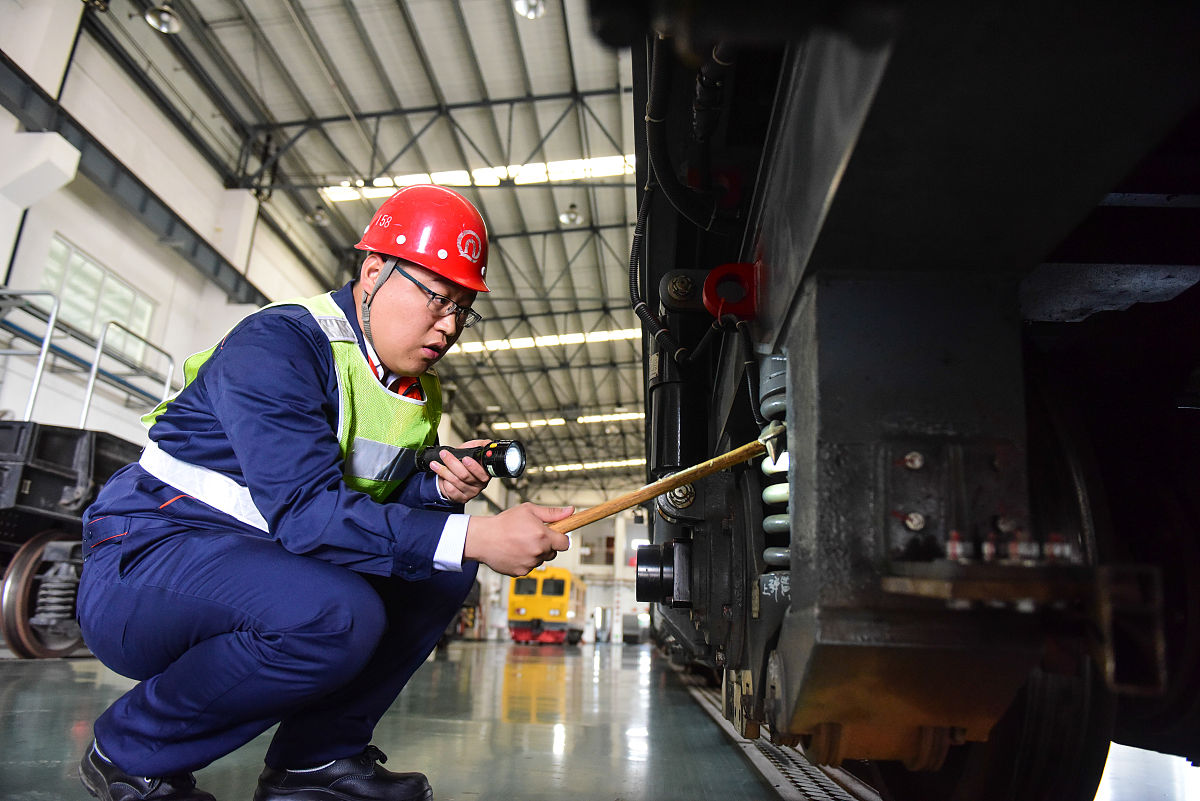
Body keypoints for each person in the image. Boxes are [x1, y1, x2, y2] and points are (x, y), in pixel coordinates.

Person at [75, 184, 573, 801]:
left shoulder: (413, 391)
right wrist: (476, 534)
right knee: (336, 614)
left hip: (256, 565)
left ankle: (315, 762)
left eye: (463, 310)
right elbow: (310, 516)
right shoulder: (278, 346)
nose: (449, 328)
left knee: (440, 575)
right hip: (148, 560)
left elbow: (376, 515)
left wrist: (438, 492)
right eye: (439, 299)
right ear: (373, 272)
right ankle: (130, 752)